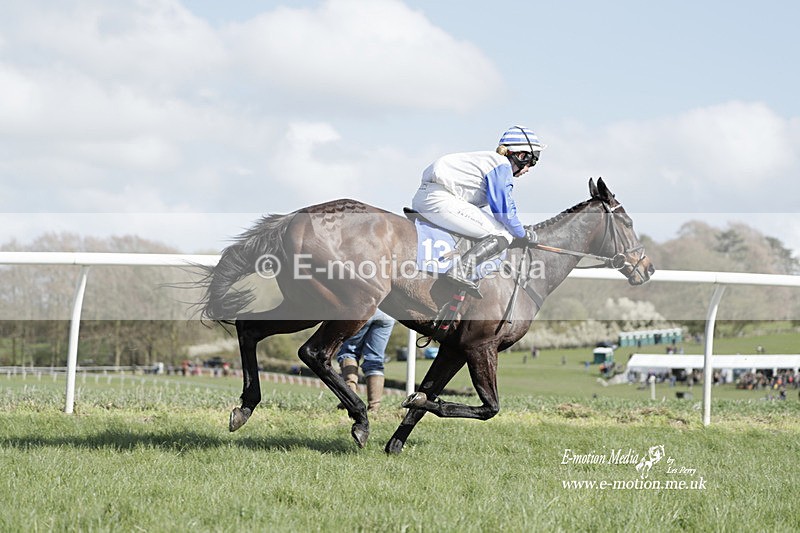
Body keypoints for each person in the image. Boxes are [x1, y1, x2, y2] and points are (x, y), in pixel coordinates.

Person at [411, 125, 542, 297]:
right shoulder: (501, 165)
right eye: (531, 162)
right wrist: (521, 233)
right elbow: (503, 210)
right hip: (439, 199)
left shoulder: (490, 162)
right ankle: (461, 271)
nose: (529, 169)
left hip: (429, 197)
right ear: (521, 155)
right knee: (503, 233)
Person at [337, 309, 396, 412]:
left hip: (365, 309)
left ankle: (350, 398)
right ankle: (374, 406)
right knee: (375, 358)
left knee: (349, 352)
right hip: (387, 313)